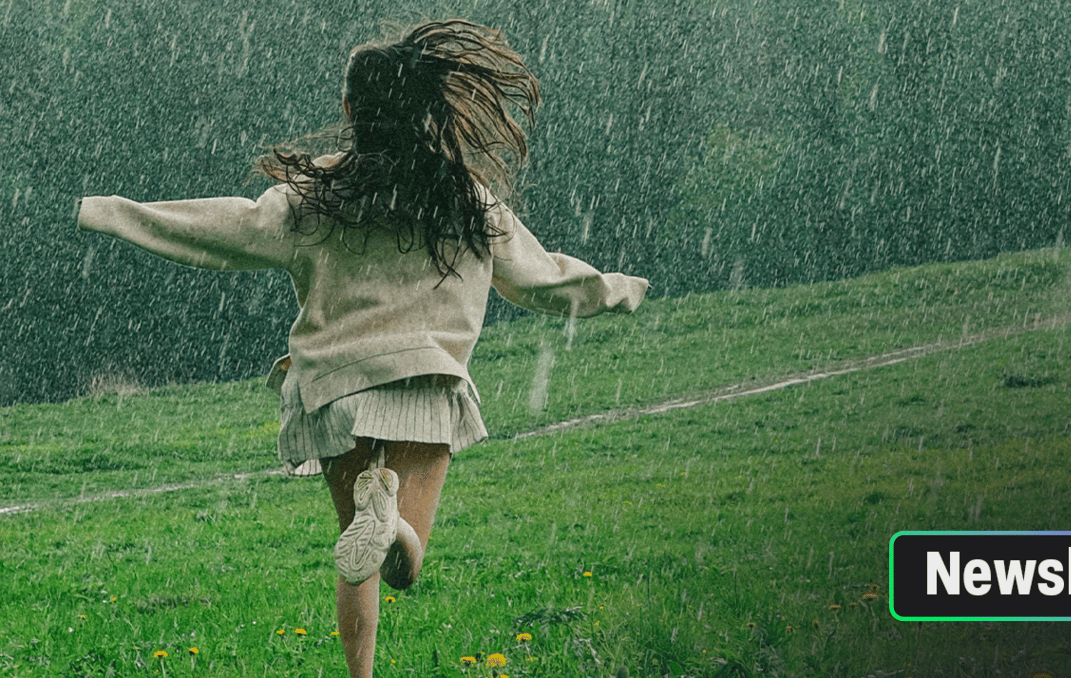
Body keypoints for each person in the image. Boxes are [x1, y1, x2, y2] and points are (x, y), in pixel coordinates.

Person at [75, 18, 648, 678]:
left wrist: (114, 211)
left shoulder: (313, 197)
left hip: (337, 387)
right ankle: (395, 525)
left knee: (357, 550)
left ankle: (361, 672)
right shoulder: (466, 198)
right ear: (429, 108)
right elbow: (541, 279)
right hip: (425, 385)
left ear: (352, 111)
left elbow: (223, 228)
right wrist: (619, 290)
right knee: (401, 563)